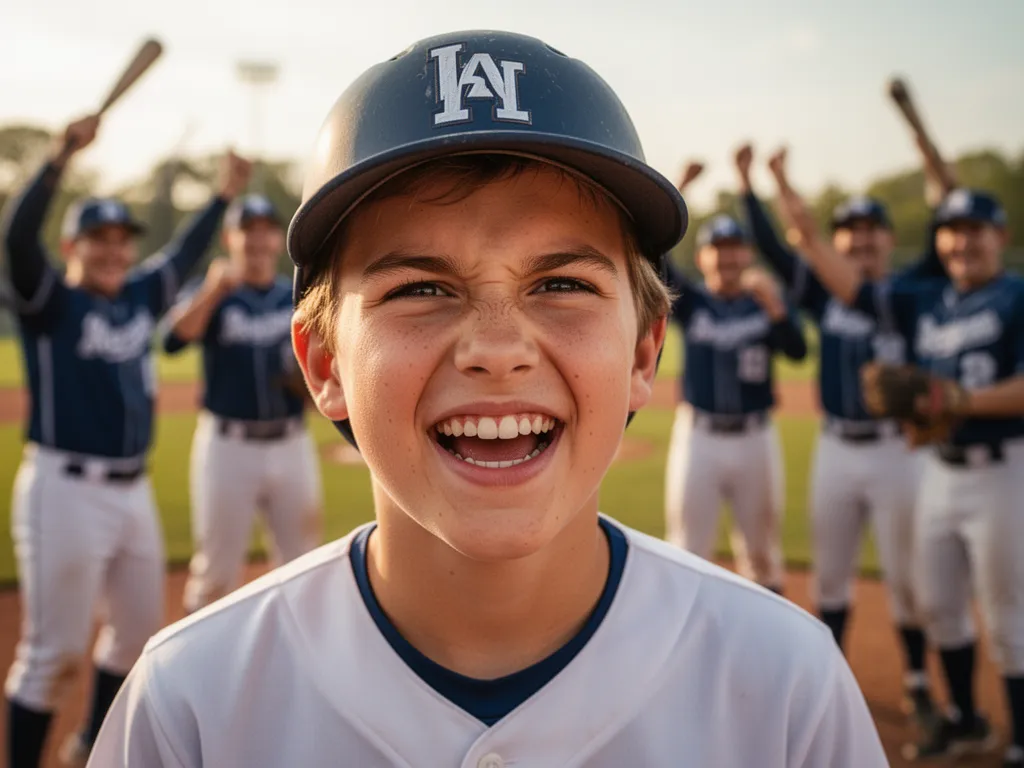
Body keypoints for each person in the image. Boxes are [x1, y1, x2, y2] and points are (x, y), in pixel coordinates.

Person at [86, 30, 886, 767]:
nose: (498, 350)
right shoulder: (187, 706)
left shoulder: (789, 687)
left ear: (645, 351)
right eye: (422, 286)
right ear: (324, 363)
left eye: (562, 283)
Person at [0, 113, 250, 768]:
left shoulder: (139, 295)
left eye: (121, 240)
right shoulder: (51, 303)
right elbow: (18, 239)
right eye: (98, 240)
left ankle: (88, 746)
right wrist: (58, 159)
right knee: (51, 654)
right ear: (74, 246)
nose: (114, 251)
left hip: (131, 492)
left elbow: (186, 253)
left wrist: (223, 197)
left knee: (138, 634)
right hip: (65, 489)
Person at [777, 162, 1024, 767]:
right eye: (953, 230)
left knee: (1008, 614)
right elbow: (855, 291)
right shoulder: (928, 300)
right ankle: (965, 719)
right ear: (940, 241)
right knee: (940, 605)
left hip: (1002, 470)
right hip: (938, 467)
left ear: (1002, 237)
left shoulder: (1017, 294)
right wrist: (806, 236)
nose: (963, 241)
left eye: (977, 230)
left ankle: (1019, 742)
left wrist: (958, 400)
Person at [734, 143, 936, 727]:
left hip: (900, 449)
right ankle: (834, 677)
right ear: (837, 243)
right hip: (837, 448)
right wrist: (752, 185)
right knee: (831, 573)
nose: (861, 240)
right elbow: (774, 248)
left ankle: (920, 683)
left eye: (872, 231)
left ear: (888, 240)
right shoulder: (827, 298)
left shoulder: (913, 294)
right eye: (850, 232)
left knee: (907, 575)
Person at [161, 194, 323, 614]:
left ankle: (300, 670)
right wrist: (213, 290)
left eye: (265, 229)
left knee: (305, 565)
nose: (256, 238)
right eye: (246, 229)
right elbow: (173, 340)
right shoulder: (216, 293)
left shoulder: (295, 295)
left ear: (276, 239)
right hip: (228, 448)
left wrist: (305, 386)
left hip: (290, 442)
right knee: (215, 573)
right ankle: (203, 676)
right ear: (231, 238)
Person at [662, 162, 807, 595]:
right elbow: (651, 251)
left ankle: (763, 652)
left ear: (747, 255)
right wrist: (677, 187)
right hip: (699, 436)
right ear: (702, 257)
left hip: (754, 438)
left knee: (762, 552)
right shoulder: (690, 303)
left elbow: (798, 350)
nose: (726, 256)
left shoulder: (764, 303)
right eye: (716, 248)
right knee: (687, 549)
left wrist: (776, 307)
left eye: (734, 247)